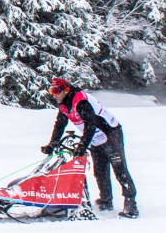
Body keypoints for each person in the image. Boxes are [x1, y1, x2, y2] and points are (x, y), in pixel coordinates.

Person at [43, 77, 138, 218]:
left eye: (56, 91)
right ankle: (106, 201)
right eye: (51, 91)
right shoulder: (64, 104)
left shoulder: (80, 100)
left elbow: (90, 123)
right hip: (94, 137)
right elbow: (60, 124)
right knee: (99, 170)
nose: (54, 95)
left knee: (119, 169)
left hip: (110, 133)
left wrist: (82, 144)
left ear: (65, 90)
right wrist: (53, 143)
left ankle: (131, 204)